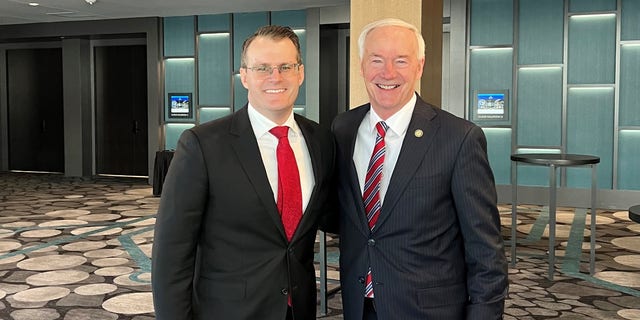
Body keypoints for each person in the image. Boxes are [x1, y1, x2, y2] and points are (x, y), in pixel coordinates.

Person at [152, 25, 336, 320]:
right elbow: (171, 253)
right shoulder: (202, 145)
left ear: (300, 72)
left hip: (298, 309)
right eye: (262, 68)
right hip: (227, 311)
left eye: (285, 67)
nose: (275, 77)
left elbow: (331, 215)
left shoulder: (321, 140)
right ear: (244, 76)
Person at [331, 18, 508, 320]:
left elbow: (485, 249)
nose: (387, 73)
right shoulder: (343, 128)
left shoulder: (459, 138)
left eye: (401, 60)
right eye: (377, 60)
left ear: (419, 66)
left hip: (427, 310)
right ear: (361, 66)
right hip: (359, 306)